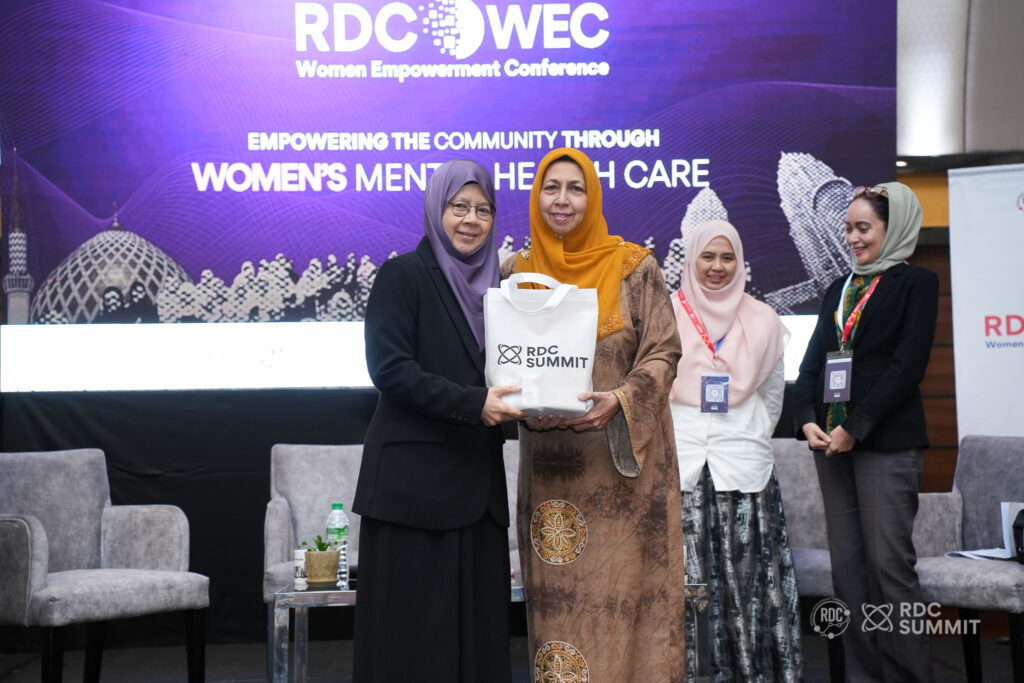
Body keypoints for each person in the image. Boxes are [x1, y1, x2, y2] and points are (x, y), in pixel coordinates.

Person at [502, 147, 686, 682]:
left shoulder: (635, 267)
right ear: (536, 196)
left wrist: (620, 399)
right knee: (559, 616)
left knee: (630, 609)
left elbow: (663, 351)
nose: (562, 200)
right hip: (553, 478)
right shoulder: (516, 272)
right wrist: (523, 406)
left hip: (623, 480)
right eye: (551, 187)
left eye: (575, 188)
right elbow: (504, 359)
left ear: (594, 196)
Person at [352, 159, 526, 683]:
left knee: (479, 644)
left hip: (478, 495)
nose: (471, 220)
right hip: (414, 497)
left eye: (484, 210)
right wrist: (475, 404)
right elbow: (390, 370)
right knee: (413, 646)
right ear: (436, 209)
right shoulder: (402, 275)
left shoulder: (503, 294)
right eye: (459, 207)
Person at [795, 182, 938, 682]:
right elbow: (812, 364)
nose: (852, 238)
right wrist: (806, 419)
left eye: (863, 228)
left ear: (892, 229)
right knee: (849, 575)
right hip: (831, 448)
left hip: (885, 444)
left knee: (889, 570)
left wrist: (856, 427)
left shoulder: (915, 283)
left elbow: (907, 367)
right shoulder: (838, 288)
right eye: (848, 229)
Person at [669, 220, 801, 682]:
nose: (718, 267)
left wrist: (746, 437)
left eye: (728, 257)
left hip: (743, 470)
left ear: (741, 263)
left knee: (745, 587)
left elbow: (771, 399)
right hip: (680, 465)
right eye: (708, 256)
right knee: (682, 586)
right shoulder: (665, 315)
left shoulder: (764, 320)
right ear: (691, 260)